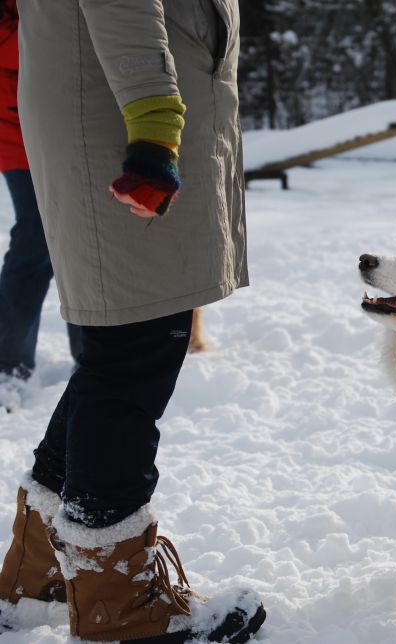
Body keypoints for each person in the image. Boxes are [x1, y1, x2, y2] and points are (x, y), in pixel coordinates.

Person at [0, 2, 265, 642]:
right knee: (134, 353)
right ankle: (117, 604)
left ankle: (42, 572)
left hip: (118, 108)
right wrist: (155, 122)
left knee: (121, 350)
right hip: (123, 122)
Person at [0, 0, 81, 397]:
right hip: (19, 137)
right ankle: (8, 366)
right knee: (35, 242)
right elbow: (36, 45)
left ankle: (93, 360)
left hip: (73, 131)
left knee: (84, 241)